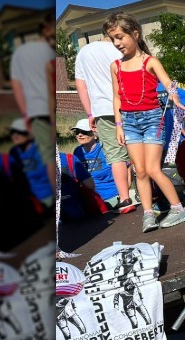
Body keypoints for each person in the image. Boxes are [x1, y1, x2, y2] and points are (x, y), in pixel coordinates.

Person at [106, 11, 185, 232]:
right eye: (113, 38)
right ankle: (148, 214)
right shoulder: (116, 66)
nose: (117, 43)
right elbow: (116, 97)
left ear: (135, 34)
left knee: (153, 169)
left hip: (153, 119)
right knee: (139, 170)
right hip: (129, 121)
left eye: (120, 37)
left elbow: (168, 84)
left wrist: (174, 97)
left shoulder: (150, 61)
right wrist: (118, 126)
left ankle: (178, 209)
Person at [75, 33, 137, 213]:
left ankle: (125, 199)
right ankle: (148, 193)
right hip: (128, 104)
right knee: (139, 148)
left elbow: (81, 85)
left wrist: (90, 113)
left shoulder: (83, 52)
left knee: (115, 156)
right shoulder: (119, 49)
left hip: (102, 109)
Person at [10, 11, 56, 195]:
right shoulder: (51, 51)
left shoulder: (21, 52)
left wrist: (25, 114)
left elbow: (17, 86)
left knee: (48, 157)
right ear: (45, 30)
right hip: (47, 109)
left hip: (37, 111)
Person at [71, 119, 122, 207]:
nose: (80, 135)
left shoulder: (106, 148)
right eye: (77, 132)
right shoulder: (77, 152)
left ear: (95, 135)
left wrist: (123, 194)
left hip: (112, 197)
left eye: (84, 132)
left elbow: (126, 168)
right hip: (90, 199)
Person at [8, 118, 53, 208]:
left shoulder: (41, 150)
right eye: (12, 132)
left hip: (46, 196)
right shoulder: (13, 152)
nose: (15, 135)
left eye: (20, 132)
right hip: (26, 198)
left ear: (29, 134)